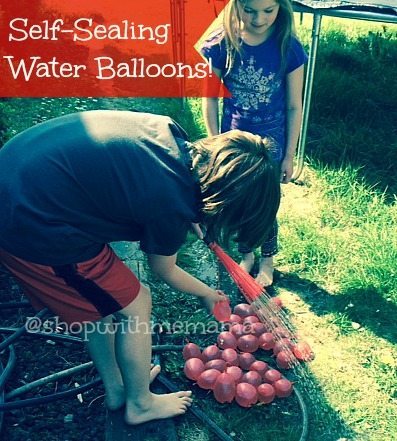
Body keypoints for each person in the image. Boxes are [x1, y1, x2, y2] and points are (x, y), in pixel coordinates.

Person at [0, 110, 280, 425]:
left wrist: (191, 213)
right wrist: (207, 293)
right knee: (136, 304)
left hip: (22, 177)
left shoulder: (173, 136)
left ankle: (118, 388)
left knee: (98, 305)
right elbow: (164, 269)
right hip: (32, 220)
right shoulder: (169, 201)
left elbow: (153, 185)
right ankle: (140, 404)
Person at [201, 0, 307, 287]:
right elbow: (209, 99)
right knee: (238, 202)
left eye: (268, 10)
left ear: (281, 8)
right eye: (249, 10)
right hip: (234, 145)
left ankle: (268, 260)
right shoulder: (220, 45)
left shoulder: (289, 47)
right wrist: (215, 145)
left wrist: (289, 156)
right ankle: (247, 254)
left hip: (272, 146)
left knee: (265, 205)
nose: (259, 19)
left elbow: (294, 106)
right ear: (235, 6)